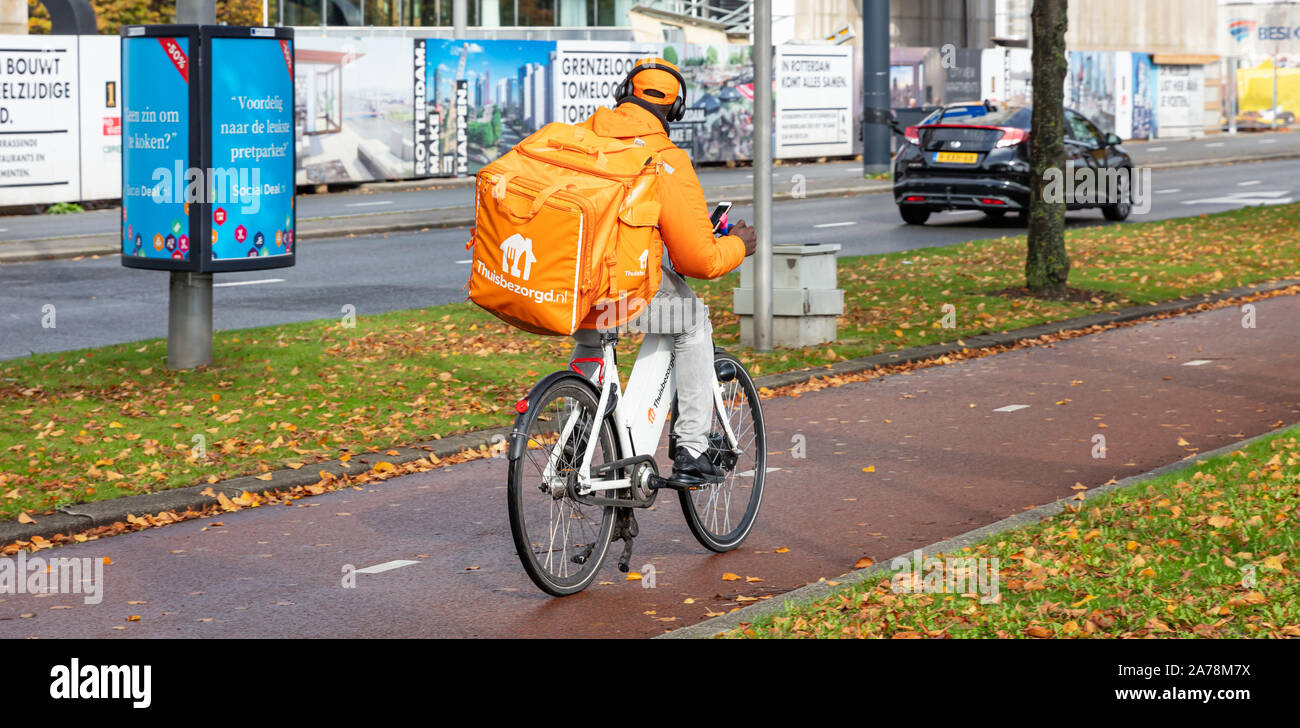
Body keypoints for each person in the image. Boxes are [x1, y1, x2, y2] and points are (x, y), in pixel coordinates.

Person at [571, 57, 757, 487]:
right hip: (623, 286)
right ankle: (691, 446)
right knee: (692, 321)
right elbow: (698, 260)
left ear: (624, 93)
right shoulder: (665, 160)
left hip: (566, 284)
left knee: (593, 334)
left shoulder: (579, 138)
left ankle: (573, 444)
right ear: (675, 110)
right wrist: (737, 245)